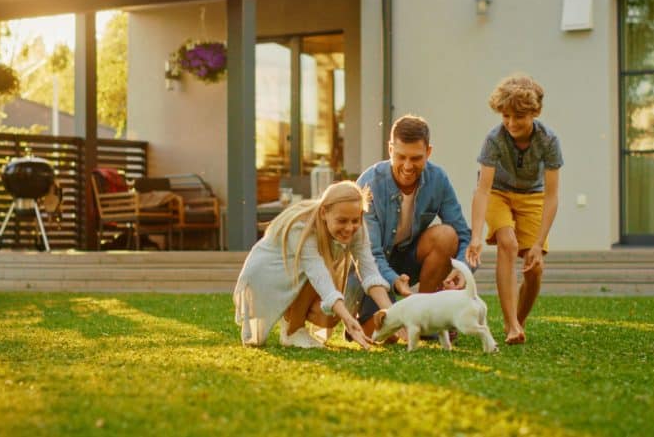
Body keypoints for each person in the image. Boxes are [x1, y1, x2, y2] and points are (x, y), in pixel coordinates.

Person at [233, 181, 394, 349]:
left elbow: (370, 273)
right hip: (266, 276)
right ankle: (292, 331)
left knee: (329, 316)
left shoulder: (357, 227)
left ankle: (293, 324)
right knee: (325, 286)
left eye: (355, 220)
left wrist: (395, 317)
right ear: (324, 212)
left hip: (298, 275)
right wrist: (348, 318)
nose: (349, 227)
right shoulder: (302, 227)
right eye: (342, 221)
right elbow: (318, 275)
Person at [354, 114, 472, 337]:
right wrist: (394, 281)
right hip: (372, 267)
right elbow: (370, 254)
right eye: (401, 157)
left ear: (428, 152)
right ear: (390, 150)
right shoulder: (369, 183)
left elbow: (463, 234)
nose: (408, 166)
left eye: (416, 158)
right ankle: (362, 322)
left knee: (447, 235)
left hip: (409, 259)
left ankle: (427, 321)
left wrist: (463, 270)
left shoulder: (438, 179)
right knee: (385, 335)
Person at [466, 74, 562, 345]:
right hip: (499, 193)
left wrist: (539, 243)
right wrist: (476, 237)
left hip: (533, 195)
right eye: (505, 116)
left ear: (535, 112)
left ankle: (518, 322)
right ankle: (510, 324)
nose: (510, 123)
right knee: (507, 242)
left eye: (518, 117)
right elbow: (482, 190)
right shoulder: (495, 139)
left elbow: (552, 196)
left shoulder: (548, 141)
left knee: (534, 269)